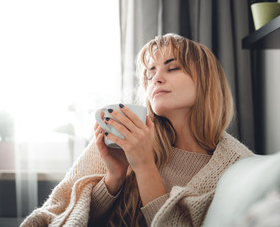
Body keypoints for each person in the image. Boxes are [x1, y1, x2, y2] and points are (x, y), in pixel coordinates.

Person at [20, 34, 253, 227]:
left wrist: (143, 165)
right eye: (150, 73)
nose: (156, 79)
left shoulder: (235, 165)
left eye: (172, 68)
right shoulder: (127, 134)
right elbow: (77, 218)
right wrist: (115, 176)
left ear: (206, 81)